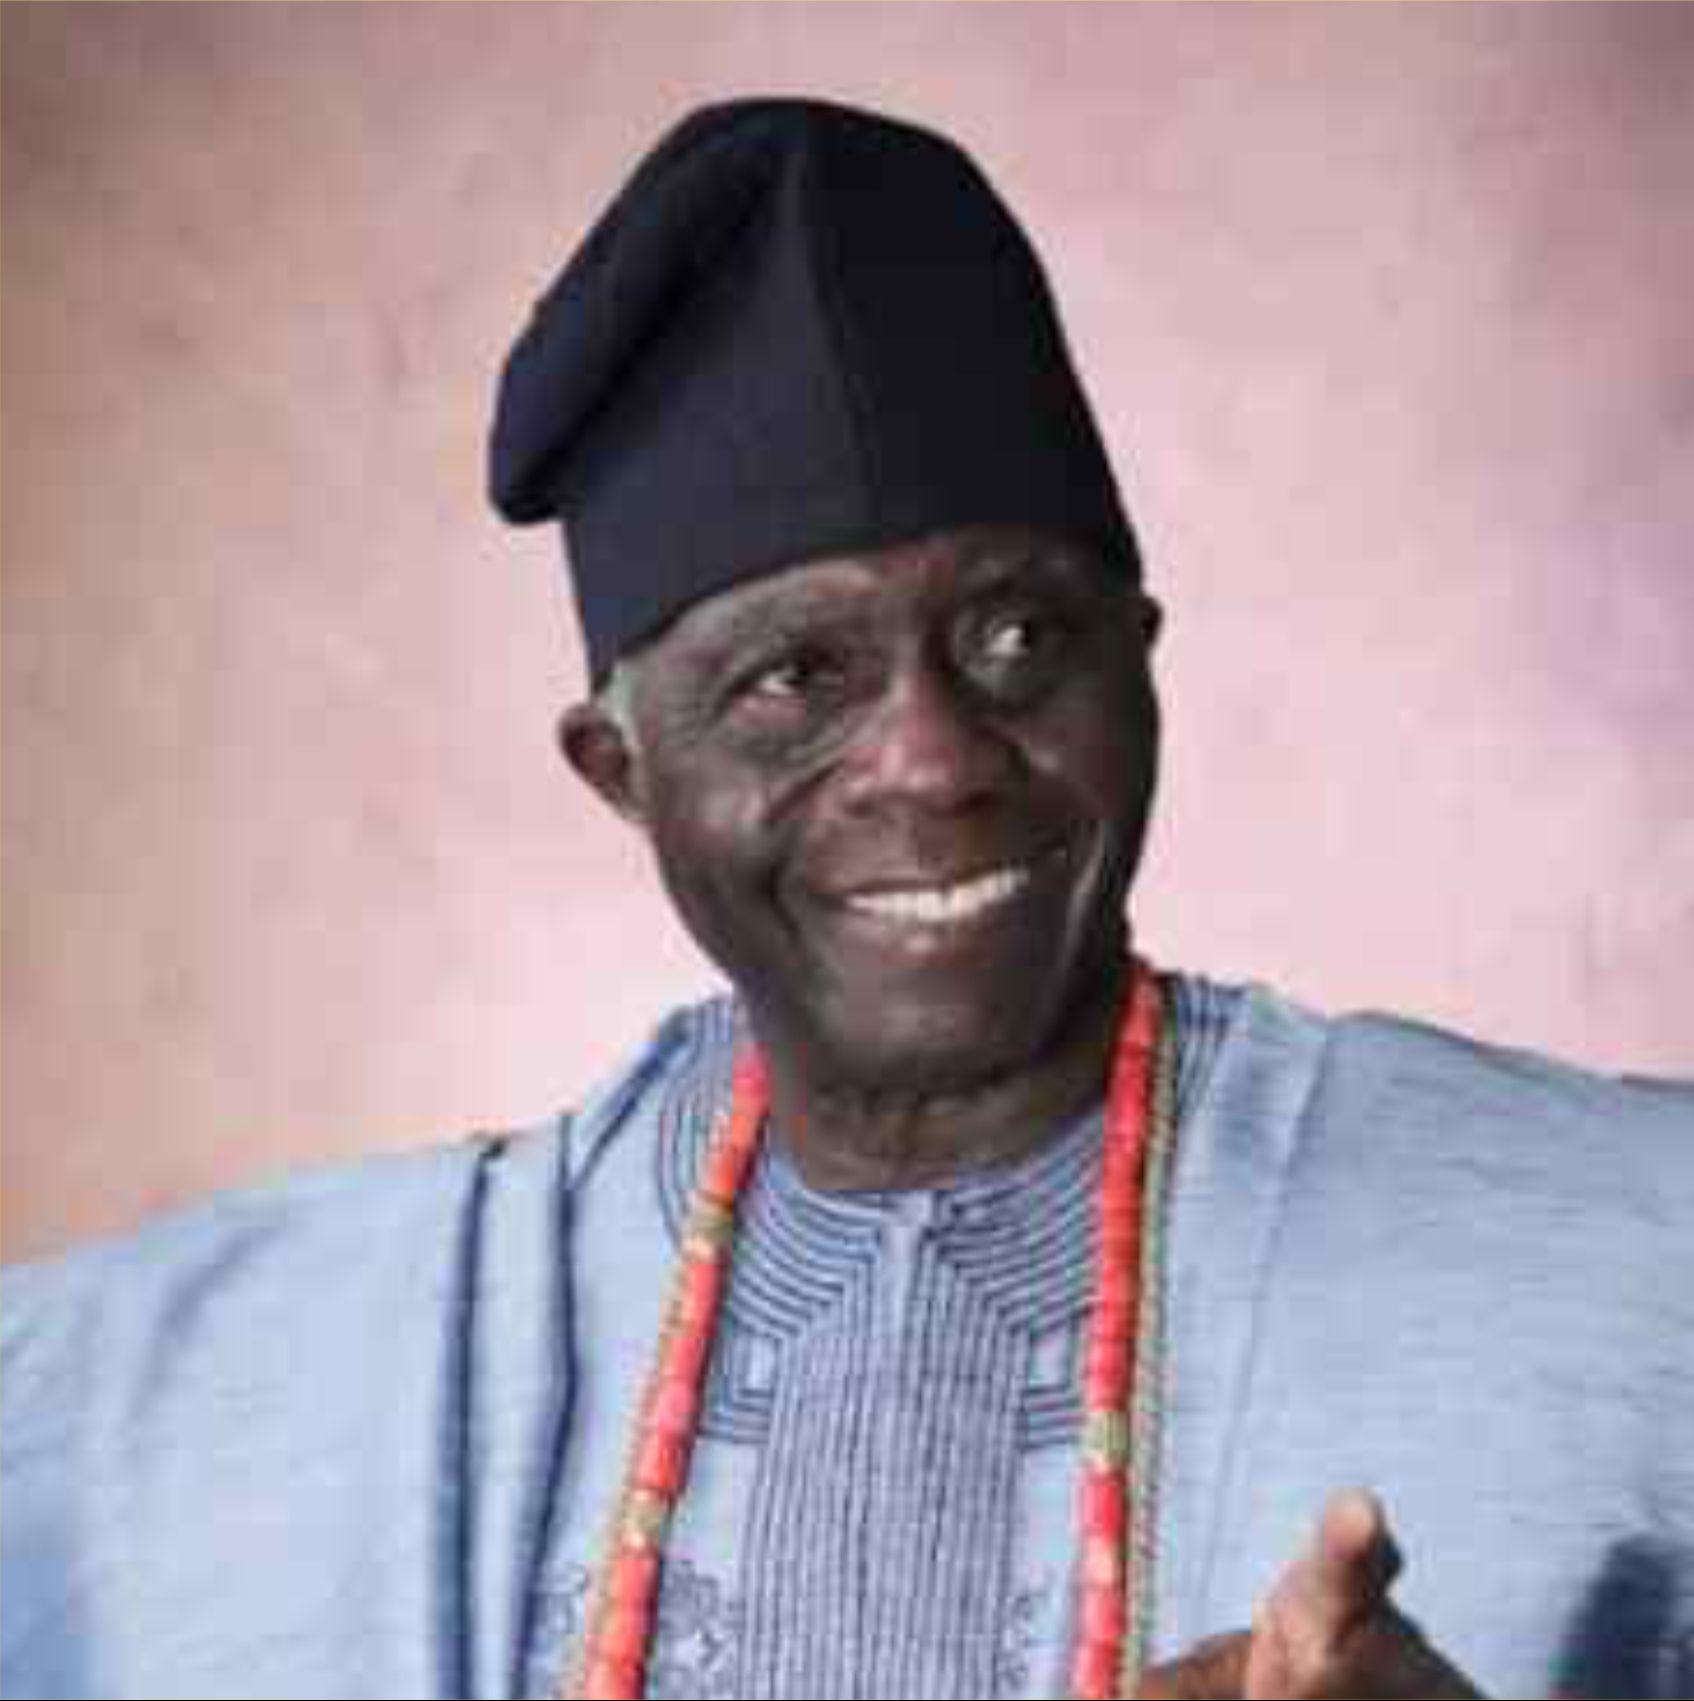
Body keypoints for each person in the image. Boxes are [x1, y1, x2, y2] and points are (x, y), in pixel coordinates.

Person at [3, 98, 1690, 1701]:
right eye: (794, 677)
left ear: (1140, 661)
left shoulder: (1637, 1263)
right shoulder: (169, 1401)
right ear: (621, 769)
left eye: (1018, 635)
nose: (933, 763)